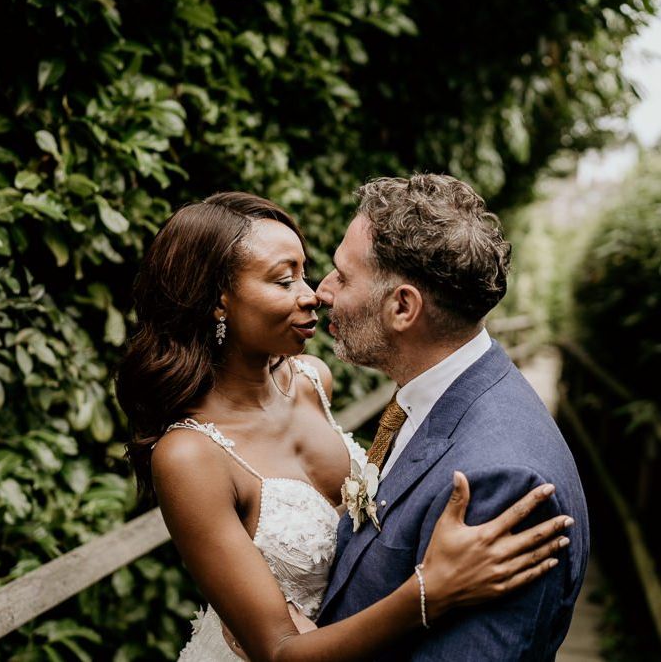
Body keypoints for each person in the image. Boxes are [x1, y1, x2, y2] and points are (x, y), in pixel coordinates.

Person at [115, 191, 573, 662]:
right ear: (218, 301)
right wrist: (427, 593)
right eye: (283, 280)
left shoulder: (314, 380)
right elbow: (278, 650)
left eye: (304, 272)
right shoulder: (189, 457)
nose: (313, 293)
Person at [314, 174, 590, 660]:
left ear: (402, 306)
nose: (322, 290)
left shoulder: (503, 482)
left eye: (343, 275)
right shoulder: (423, 400)